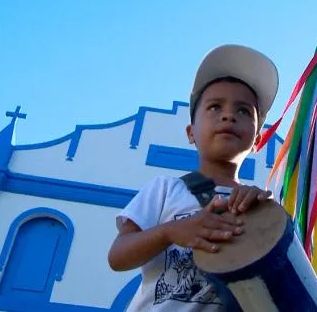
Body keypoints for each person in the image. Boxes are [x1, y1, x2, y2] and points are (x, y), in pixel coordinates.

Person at [108, 44, 279, 311]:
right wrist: (170, 232)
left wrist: (266, 220)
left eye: (244, 111)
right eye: (214, 107)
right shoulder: (165, 189)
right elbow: (117, 256)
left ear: (257, 140)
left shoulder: (260, 205)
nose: (228, 115)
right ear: (191, 133)